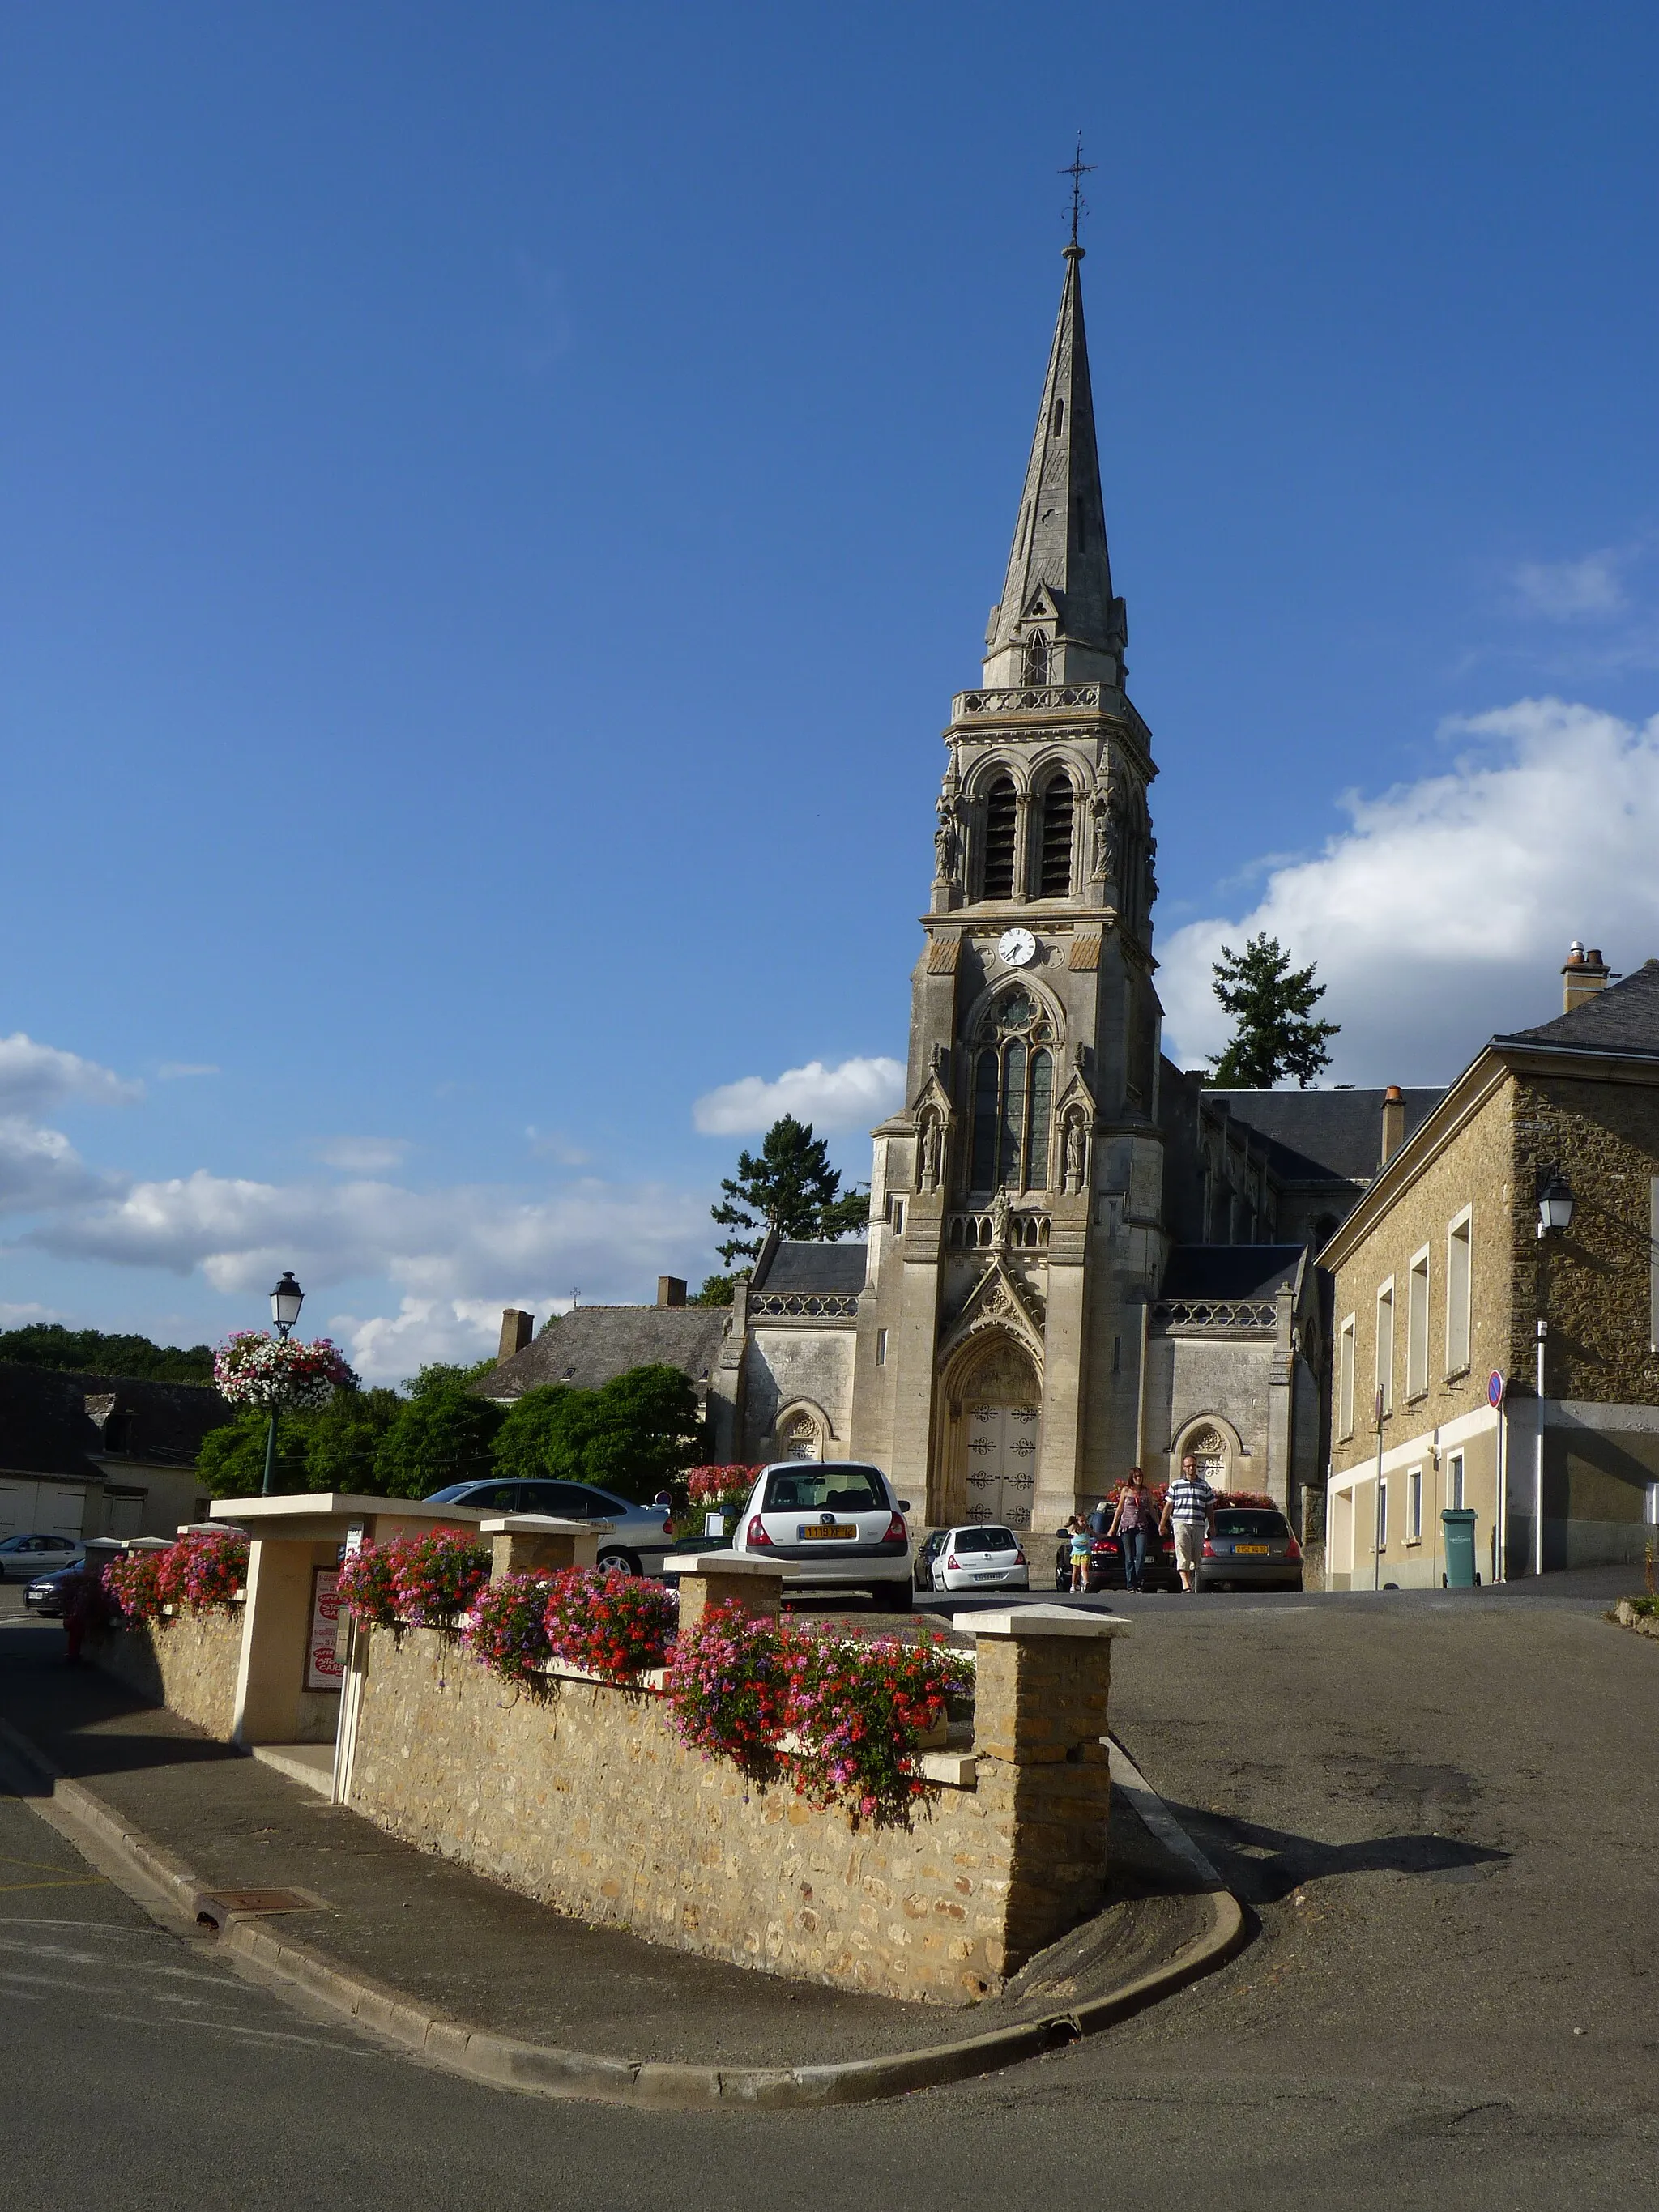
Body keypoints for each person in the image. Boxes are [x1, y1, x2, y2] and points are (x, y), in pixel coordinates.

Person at [1160, 1453, 1216, 1594]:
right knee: (1183, 1552)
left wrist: (1212, 1526)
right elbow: (1168, 1506)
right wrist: (1162, 1524)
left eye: (1193, 1466)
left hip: (1198, 1524)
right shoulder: (1176, 1485)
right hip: (1181, 1523)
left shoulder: (1204, 1486)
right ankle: (1186, 1585)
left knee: (1196, 1555)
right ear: (1184, 1468)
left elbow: (1210, 1507)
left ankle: (1190, 1582)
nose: (1191, 1468)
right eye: (1188, 1466)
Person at [1108, 1468, 1154, 1593]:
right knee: (1129, 1557)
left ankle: (1137, 1580)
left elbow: (1151, 1509)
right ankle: (1130, 1585)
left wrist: (1160, 1524)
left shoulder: (1146, 1491)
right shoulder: (1126, 1490)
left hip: (1141, 1526)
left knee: (1140, 1555)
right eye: (1136, 1477)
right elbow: (1119, 1509)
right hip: (1126, 1526)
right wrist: (1113, 1527)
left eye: (1140, 1476)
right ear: (1131, 1478)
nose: (1138, 1479)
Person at [1065, 1514, 1090, 1594]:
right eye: (1082, 1521)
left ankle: (1086, 1583)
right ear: (1077, 1522)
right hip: (1076, 1553)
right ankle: (1073, 1585)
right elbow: (1072, 1540)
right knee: (1076, 1570)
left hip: (1085, 1553)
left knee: (1084, 1568)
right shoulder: (1073, 1532)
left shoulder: (1087, 1530)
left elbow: (1096, 1535)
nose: (1084, 1523)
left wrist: (1107, 1535)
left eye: (1085, 1521)